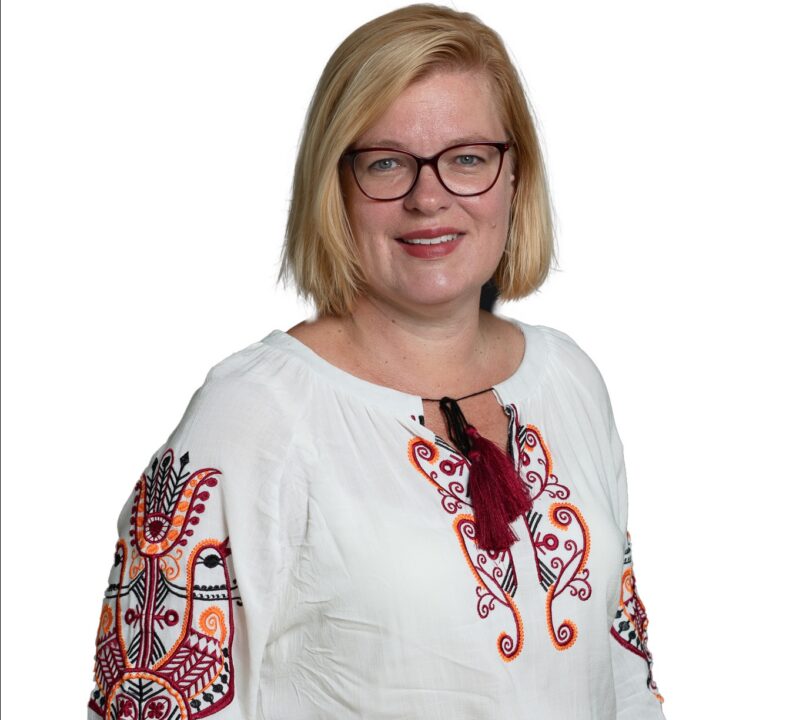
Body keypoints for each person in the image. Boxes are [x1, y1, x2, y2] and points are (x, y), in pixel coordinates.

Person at [87, 5, 666, 718]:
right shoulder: (256, 416)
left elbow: (624, 677)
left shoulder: (569, 379)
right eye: (386, 163)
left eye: (468, 158)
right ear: (335, 185)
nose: (429, 198)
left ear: (515, 176)